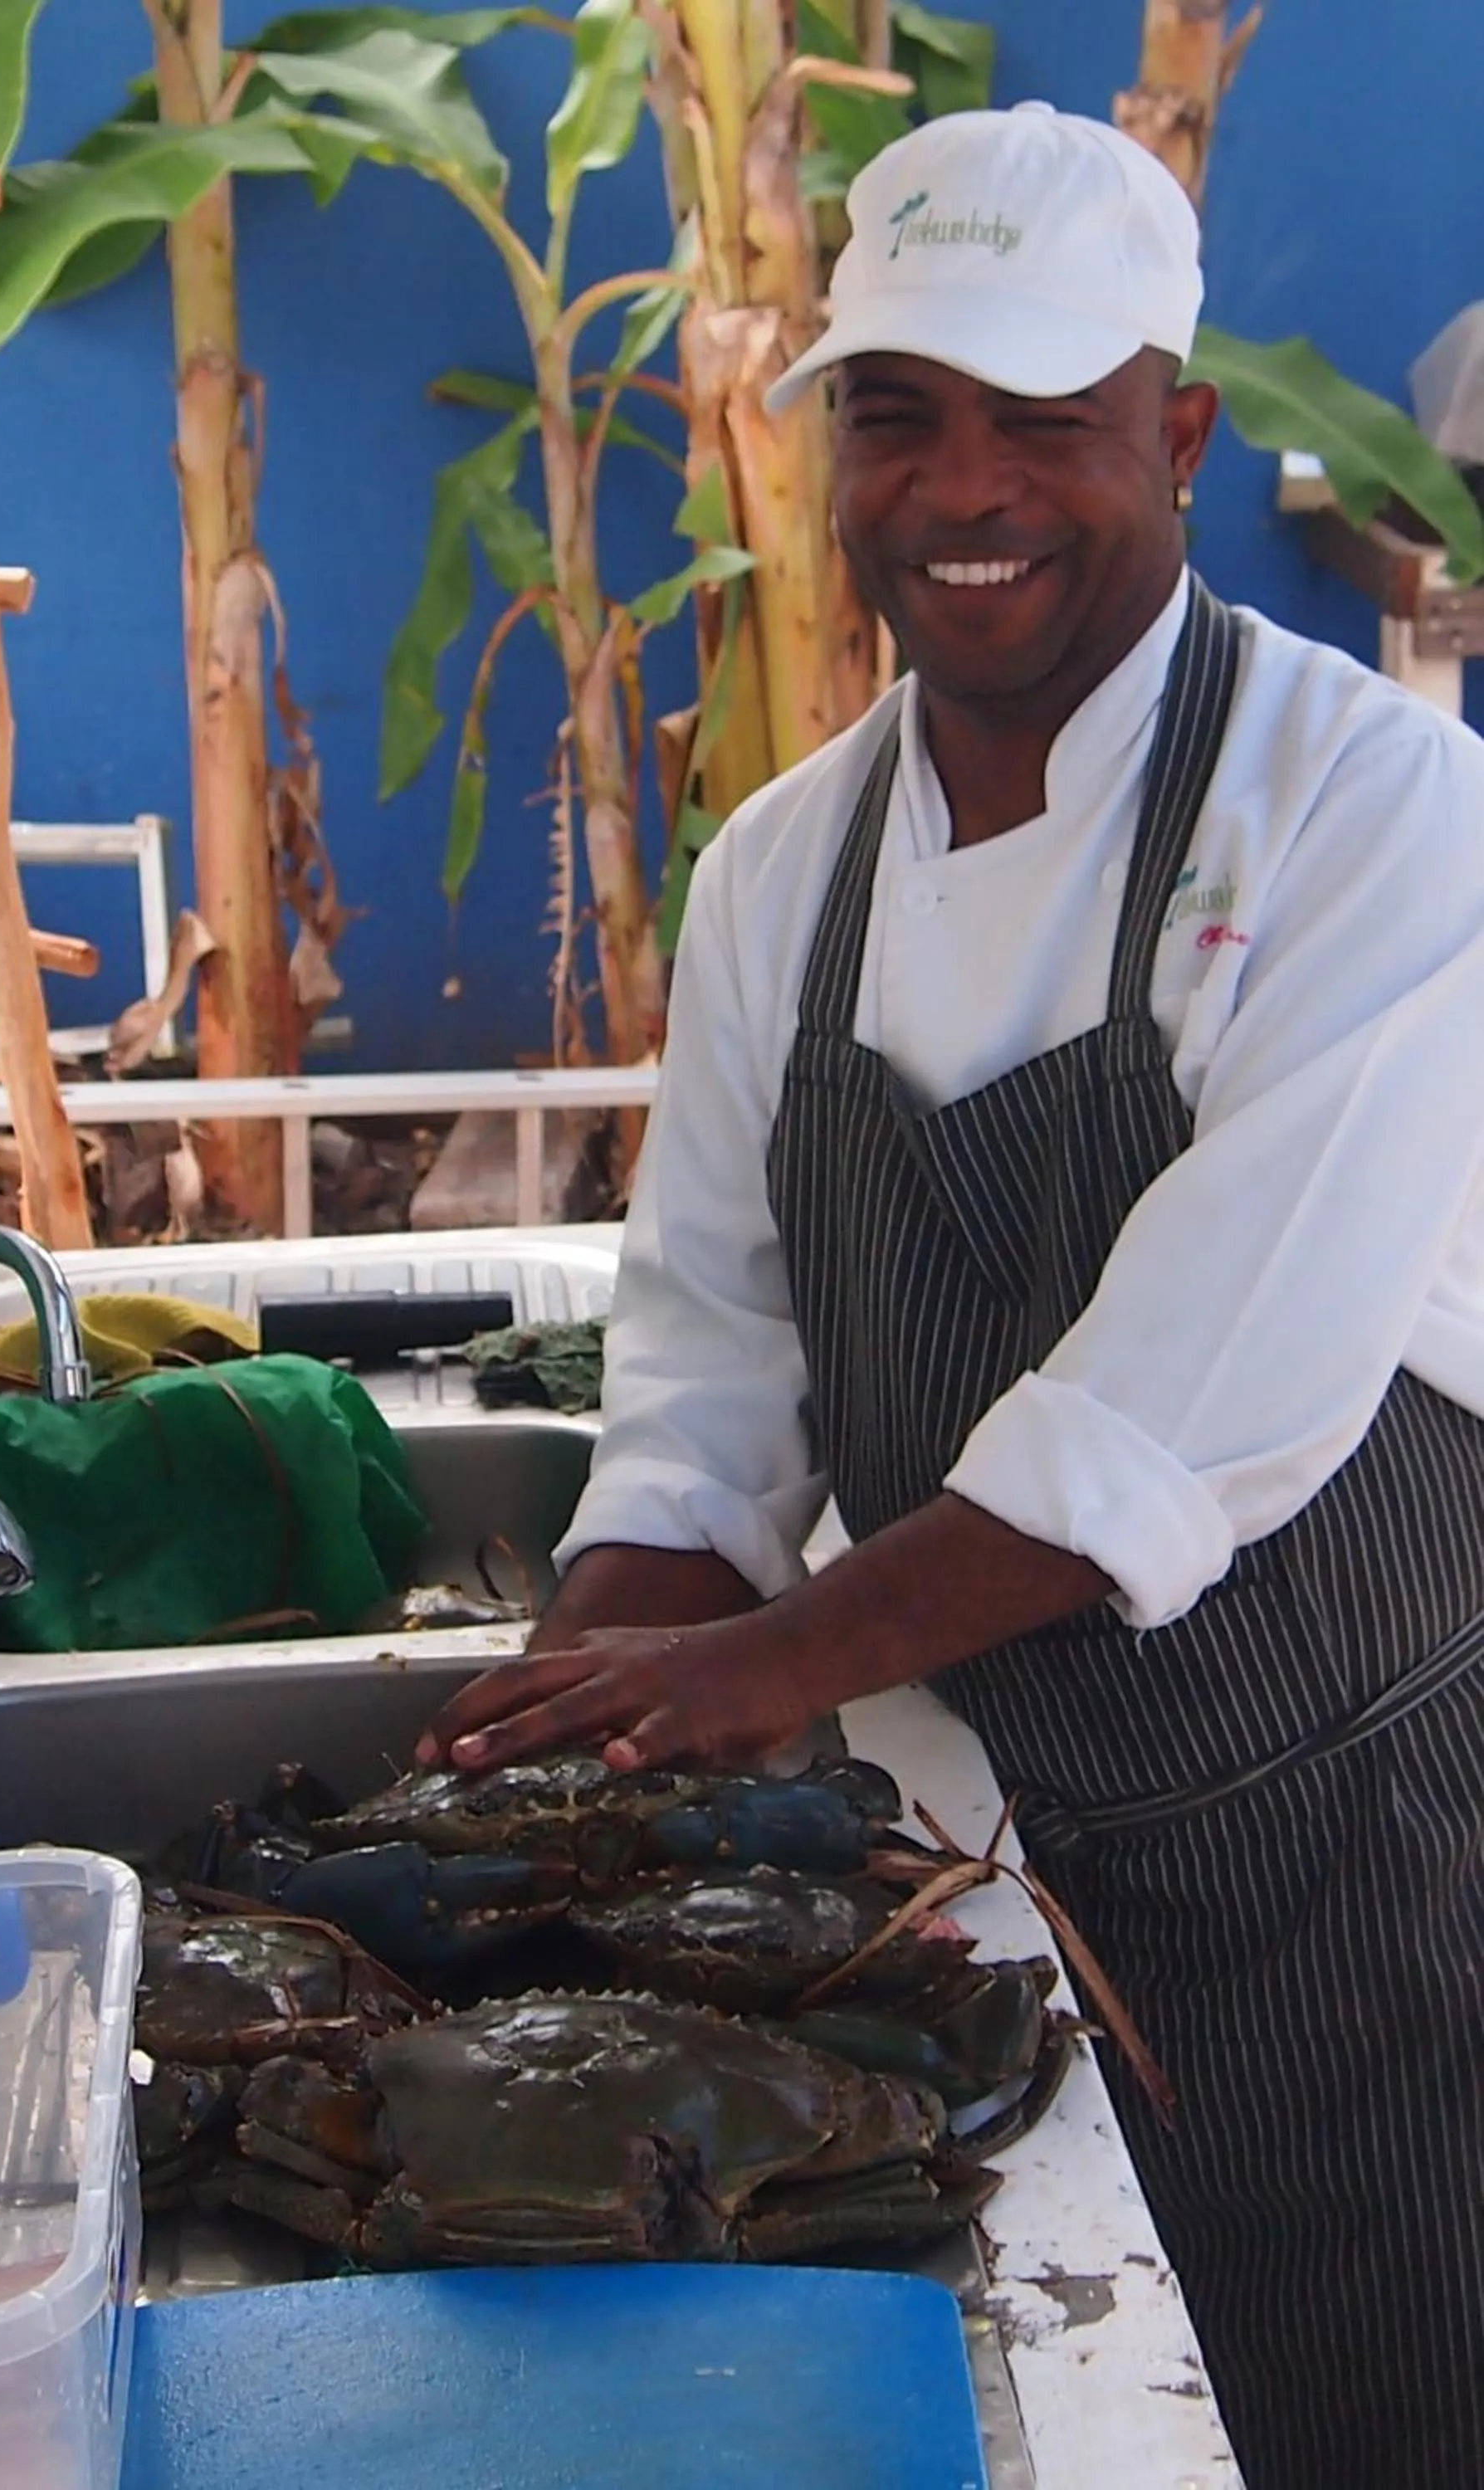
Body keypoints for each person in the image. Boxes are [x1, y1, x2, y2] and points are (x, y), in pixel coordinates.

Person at [416, 100, 1484, 2490]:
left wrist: (763, 1667)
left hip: (1366, 1879)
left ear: (1178, 437)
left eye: (1045, 422)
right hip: (973, 1873)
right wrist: (598, 1719)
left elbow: (1198, 1391)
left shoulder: (1374, 810)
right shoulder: (778, 880)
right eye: (902, 417)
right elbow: (705, 1385)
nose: (964, 489)